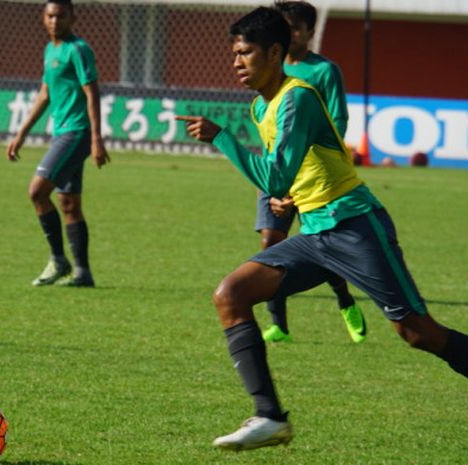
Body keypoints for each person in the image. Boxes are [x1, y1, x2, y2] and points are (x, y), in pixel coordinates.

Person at [176, 6, 467, 452]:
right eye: (234, 53)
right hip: (314, 234)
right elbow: (285, 172)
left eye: (246, 52)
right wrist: (288, 193)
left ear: (275, 52)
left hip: (354, 226)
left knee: (416, 332)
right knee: (230, 295)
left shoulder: (300, 96)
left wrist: (221, 138)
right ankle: (270, 418)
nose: (236, 62)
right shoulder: (261, 106)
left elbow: (273, 173)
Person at [255, 0, 365, 344]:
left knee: (323, 246)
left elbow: (338, 122)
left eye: (296, 29)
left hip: (313, 176)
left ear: (310, 32)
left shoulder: (324, 72)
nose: (290, 35)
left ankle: (345, 299)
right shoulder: (271, 68)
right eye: (284, 29)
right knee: (271, 243)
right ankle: (280, 325)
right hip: (276, 172)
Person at [6, 0, 109, 287]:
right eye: (51, 15)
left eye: (61, 15)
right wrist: (21, 133)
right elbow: (45, 94)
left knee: (37, 192)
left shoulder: (78, 49)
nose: (55, 21)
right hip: (61, 131)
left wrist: (97, 139)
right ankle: (83, 273)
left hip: (76, 134)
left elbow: (93, 92)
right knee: (68, 202)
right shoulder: (50, 50)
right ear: (43, 17)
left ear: (73, 17)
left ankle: (58, 259)